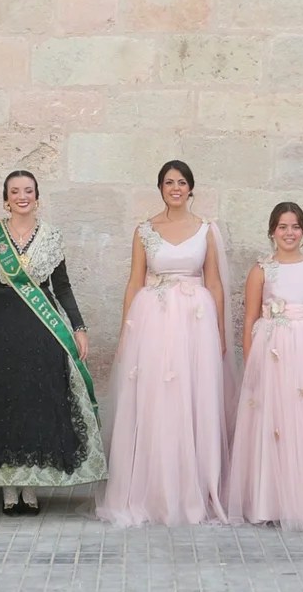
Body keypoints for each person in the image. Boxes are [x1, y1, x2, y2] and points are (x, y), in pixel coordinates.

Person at [0, 170, 107, 513]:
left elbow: (62, 287)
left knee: (36, 403)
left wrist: (78, 326)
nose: (22, 196)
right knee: (2, 404)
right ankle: (8, 487)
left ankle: (31, 485)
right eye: (15, 191)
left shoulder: (52, 237)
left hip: (41, 331)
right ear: (6, 199)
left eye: (28, 190)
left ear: (37, 197)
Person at [97, 160, 234, 527]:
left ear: (191, 188)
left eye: (182, 182)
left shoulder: (207, 230)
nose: (176, 188)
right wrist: (127, 328)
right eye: (169, 182)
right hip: (153, 318)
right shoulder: (145, 230)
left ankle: (195, 489)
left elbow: (216, 283)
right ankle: (152, 490)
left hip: (196, 320)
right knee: (156, 398)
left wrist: (220, 331)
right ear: (160, 188)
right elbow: (134, 281)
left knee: (193, 398)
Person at [227, 202, 303, 531]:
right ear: (272, 231)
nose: (289, 233)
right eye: (282, 227)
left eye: (295, 226)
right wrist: (252, 363)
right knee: (275, 423)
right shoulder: (261, 270)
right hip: (273, 353)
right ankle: (272, 501)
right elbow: (251, 318)